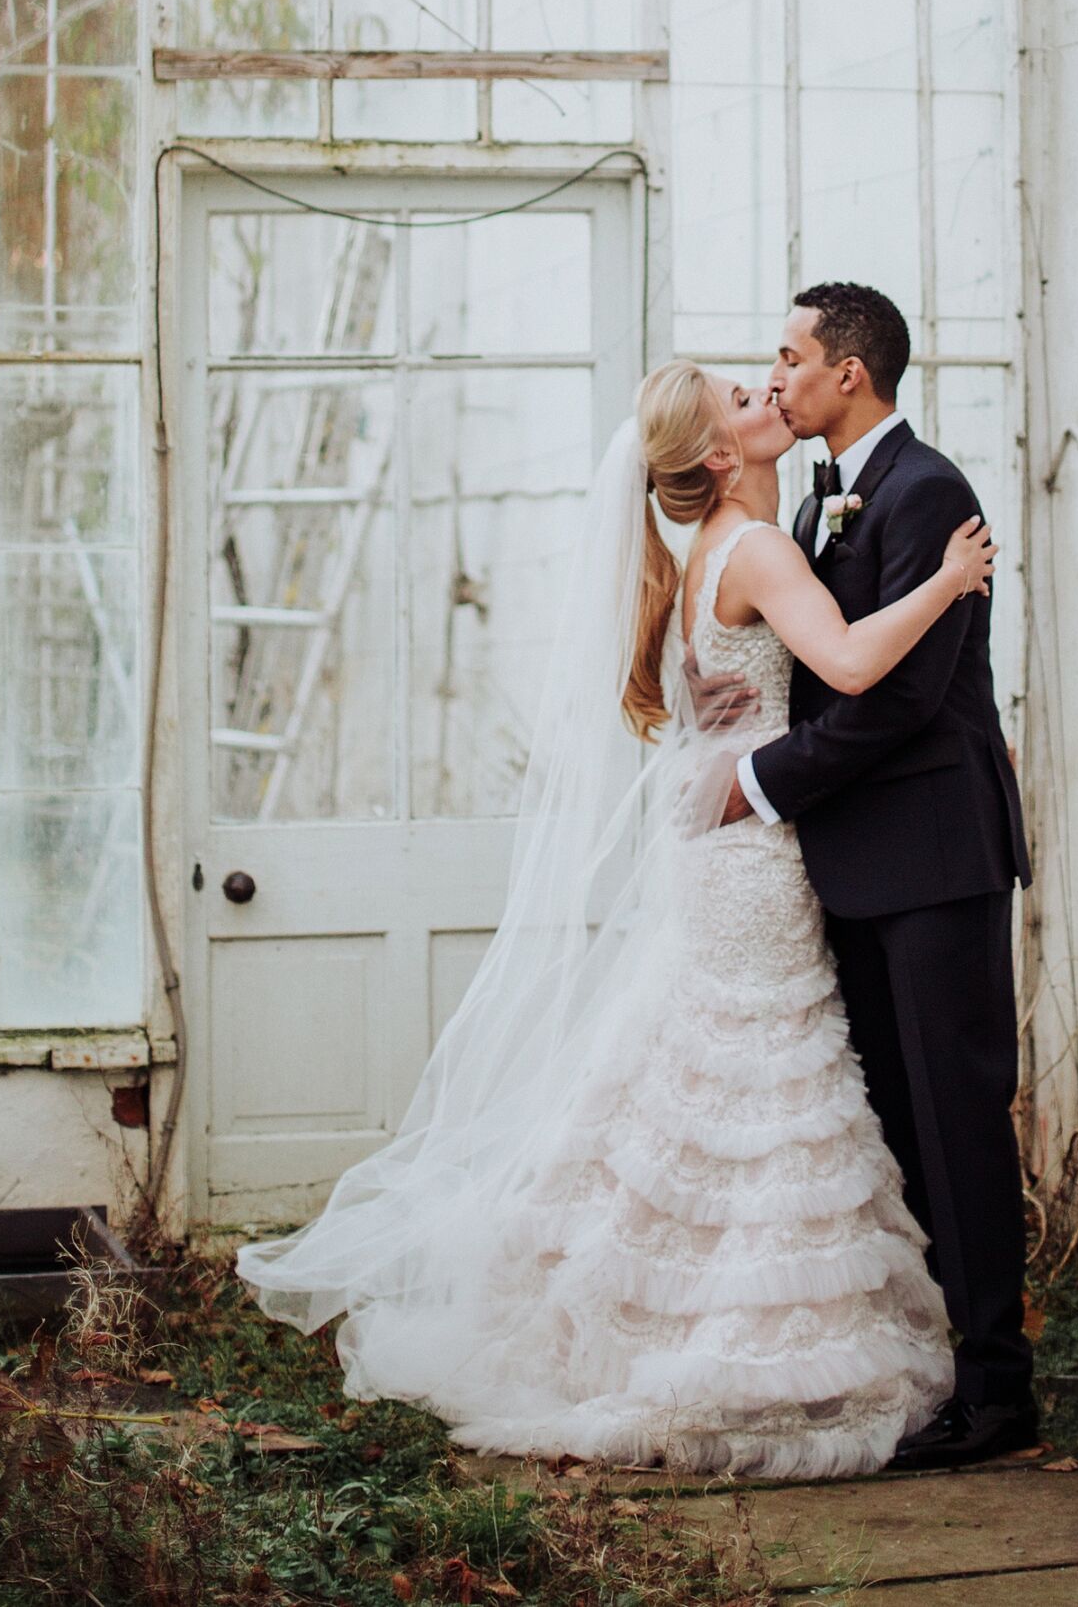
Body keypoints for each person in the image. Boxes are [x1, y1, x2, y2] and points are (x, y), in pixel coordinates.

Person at [237, 359, 995, 1477]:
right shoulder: (764, 546)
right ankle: (731, 1334)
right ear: (720, 456)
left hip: (722, 841)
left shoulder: (702, 557)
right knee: (756, 1072)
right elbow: (843, 663)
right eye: (747, 396)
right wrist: (943, 582)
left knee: (703, 1067)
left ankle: (659, 1311)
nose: (767, 394)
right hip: (751, 848)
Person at [692, 282, 1036, 1472]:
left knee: (960, 1122)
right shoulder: (825, 504)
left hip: (936, 855)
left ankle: (1001, 1391)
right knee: (899, 1128)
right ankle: (946, 1362)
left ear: (851, 373)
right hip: (857, 867)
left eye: (788, 357)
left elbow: (894, 698)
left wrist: (766, 780)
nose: (774, 376)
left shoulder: (929, 490)